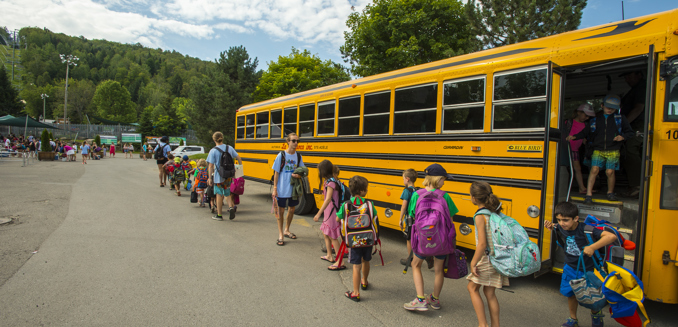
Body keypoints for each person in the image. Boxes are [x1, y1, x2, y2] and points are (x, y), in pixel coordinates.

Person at [544, 202, 618, 327]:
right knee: (571, 294)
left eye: (566, 220)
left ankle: (596, 315)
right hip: (569, 268)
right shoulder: (561, 227)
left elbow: (611, 236)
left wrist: (592, 247)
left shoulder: (586, 230)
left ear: (576, 219)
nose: (562, 223)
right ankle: (573, 319)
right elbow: (558, 227)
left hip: (588, 269)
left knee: (592, 295)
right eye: (559, 220)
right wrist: (551, 226)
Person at [403, 163, 459, 311]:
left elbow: (413, 215)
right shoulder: (445, 196)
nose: (444, 182)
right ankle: (434, 299)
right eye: (443, 179)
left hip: (422, 239)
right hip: (441, 240)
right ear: (437, 179)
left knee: (416, 265)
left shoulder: (416, 195)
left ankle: (420, 299)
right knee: (439, 270)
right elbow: (450, 220)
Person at [567, 95, 634, 203]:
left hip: (613, 149)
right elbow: (585, 132)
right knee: (594, 170)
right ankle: (588, 194)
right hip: (598, 149)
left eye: (613, 108)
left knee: (610, 172)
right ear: (602, 106)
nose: (610, 109)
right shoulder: (595, 120)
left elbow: (630, 132)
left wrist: (623, 137)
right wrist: (575, 136)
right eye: (608, 107)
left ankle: (610, 192)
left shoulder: (620, 119)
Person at [467, 181, 509, 327]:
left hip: (487, 258)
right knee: (490, 293)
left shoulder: (480, 216)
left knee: (472, 288)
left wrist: (473, 262)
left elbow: (482, 244)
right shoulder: (494, 211)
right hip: (499, 257)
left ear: (474, 198)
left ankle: (482, 324)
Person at [337, 175, 378, 302]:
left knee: (356, 266)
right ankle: (364, 281)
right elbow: (374, 217)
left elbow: (338, 218)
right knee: (366, 261)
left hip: (353, 241)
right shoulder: (369, 204)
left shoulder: (346, 205)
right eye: (366, 188)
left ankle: (356, 293)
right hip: (367, 239)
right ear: (362, 191)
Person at [272, 133, 304, 245]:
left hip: (293, 189)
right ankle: (280, 234)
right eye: (294, 141)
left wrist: (298, 175)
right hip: (281, 188)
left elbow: (302, 171)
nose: (296, 143)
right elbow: (276, 173)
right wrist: (275, 188)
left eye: (297, 141)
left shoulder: (298, 156)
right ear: (288, 141)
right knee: (280, 211)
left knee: (292, 209)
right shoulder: (281, 155)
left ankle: (286, 230)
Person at [619, 71, 646, 198]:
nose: (626, 79)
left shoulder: (642, 88)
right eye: (625, 77)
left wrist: (624, 125)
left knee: (630, 148)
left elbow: (638, 108)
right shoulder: (633, 90)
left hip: (639, 125)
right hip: (633, 125)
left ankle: (638, 186)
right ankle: (634, 184)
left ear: (639, 75)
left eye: (629, 75)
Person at [313, 160, 343, 269]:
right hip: (329, 211)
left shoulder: (331, 183)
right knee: (326, 233)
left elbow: (328, 199)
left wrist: (318, 213)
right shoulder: (329, 181)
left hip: (331, 212)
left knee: (333, 237)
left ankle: (340, 261)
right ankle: (330, 255)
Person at [207, 131, 241, 221]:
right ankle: (230, 207)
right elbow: (238, 158)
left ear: (214, 139)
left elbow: (210, 166)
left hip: (219, 176)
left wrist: (210, 178)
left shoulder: (213, 150)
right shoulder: (229, 148)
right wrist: (239, 170)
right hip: (228, 175)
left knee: (219, 194)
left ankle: (219, 215)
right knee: (227, 193)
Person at [563, 104, 596, 194]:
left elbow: (584, 136)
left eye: (589, 116)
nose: (587, 118)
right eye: (585, 115)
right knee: (564, 168)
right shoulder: (568, 122)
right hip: (566, 149)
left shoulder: (586, 125)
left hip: (575, 150)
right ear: (578, 112)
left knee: (577, 169)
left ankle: (582, 188)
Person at [399, 168, 418, 266]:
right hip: (417, 218)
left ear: (407, 179)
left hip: (409, 219)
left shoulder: (407, 191)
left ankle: (410, 259)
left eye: (403, 179)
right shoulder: (418, 190)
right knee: (416, 238)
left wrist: (400, 219)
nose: (402, 181)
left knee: (409, 239)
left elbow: (404, 206)